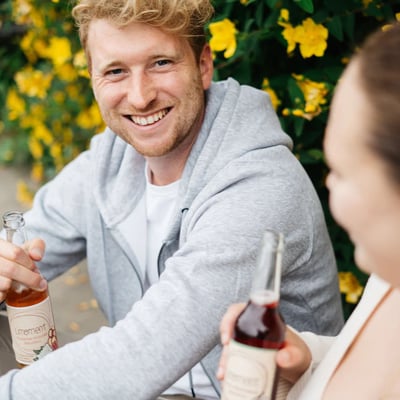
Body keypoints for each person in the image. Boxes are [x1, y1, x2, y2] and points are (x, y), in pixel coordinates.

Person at [0, 0, 344, 399]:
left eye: (161, 63)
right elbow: (21, 246)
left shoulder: (258, 186)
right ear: (93, 78)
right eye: (115, 71)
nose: (141, 96)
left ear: (203, 65)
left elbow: (136, 359)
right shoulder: (109, 162)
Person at [218, 21, 400, 399]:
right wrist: (306, 360)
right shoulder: (389, 277)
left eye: (342, 171)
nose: (328, 183)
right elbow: (360, 368)